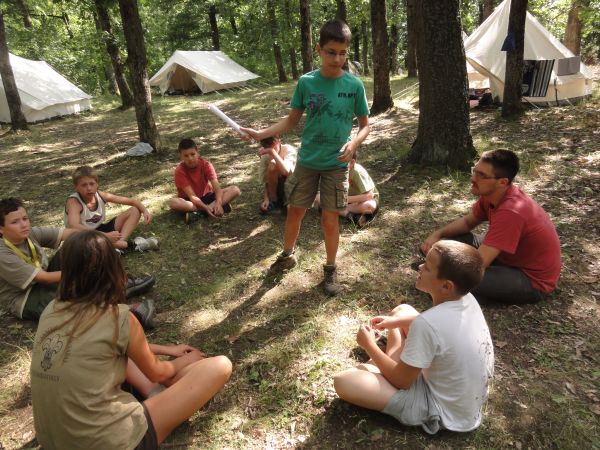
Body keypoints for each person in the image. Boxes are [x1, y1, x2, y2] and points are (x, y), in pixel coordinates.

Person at [30, 230, 232, 449]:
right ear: (112, 268)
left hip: (52, 441)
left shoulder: (51, 310)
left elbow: (104, 346)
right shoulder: (118, 317)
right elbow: (158, 372)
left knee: (122, 359)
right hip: (111, 440)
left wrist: (166, 349)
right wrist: (186, 359)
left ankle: (155, 392)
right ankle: (160, 396)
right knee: (220, 366)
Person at [240, 19, 370, 295]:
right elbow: (291, 121)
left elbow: (365, 124)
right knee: (295, 212)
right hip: (308, 162)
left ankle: (331, 271)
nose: (337, 58)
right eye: (331, 51)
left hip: (336, 164)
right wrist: (259, 133)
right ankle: (287, 255)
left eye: (343, 53)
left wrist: (355, 143)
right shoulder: (307, 83)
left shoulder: (354, 86)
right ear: (319, 50)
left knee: (330, 218)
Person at [334, 241, 494, 434]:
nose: (419, 267)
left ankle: (379, 367)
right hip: (461, 399)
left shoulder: (427, 324)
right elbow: (439, 329)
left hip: (442, 411)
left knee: (344, 381)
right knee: (402, 311)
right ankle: (383, 366)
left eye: (426, 267)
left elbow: (403, 382)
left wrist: (370, 346)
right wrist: (395, 322)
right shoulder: (466, 298)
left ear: (446, 285)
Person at [420, 149, 560, 304]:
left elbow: (477, 264)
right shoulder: (492, 194)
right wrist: (437, 235)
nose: (473, 178)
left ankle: (477, 295)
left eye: (482, 175)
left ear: (502, 182)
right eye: (475, 171)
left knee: (448, 283)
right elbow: (467, 222)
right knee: (444, 244)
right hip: (504, 257)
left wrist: (435, 272)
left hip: (530, 279)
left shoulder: (512, 211)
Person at [0, 198, 155, 324]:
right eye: (15, 222)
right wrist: (82, 272)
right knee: (72, 308)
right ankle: (128, 316)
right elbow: (43, 278)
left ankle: (117, 286)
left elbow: (71, 233)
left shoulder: (30, 233)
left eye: (25, 218)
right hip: (26, 297)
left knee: (77, 243)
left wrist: (102, 237)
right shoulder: (3, 253)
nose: (23, 224)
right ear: (1, 229)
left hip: (45, 280)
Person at [64, 165, 158, 253]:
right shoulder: (74, 202)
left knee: (135, 210)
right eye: (84, 185)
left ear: (97, 184)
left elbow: (132, 202)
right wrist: (105, 235)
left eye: (92, 184)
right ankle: (130, 245)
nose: (89, 188)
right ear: (76, 187)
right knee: (90, 245)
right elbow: (74, 225)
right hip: (81, 236)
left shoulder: (101, 195)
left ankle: (119, 245)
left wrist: (145, 211)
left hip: (99, 229)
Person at [168, 138, 241, 224]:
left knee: (235, 190)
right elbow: (192, 196)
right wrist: (206, 207)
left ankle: (200, 213)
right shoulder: (180, 171)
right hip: (190, 202)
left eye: (192, 154)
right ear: (181, 156)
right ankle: (212, 209)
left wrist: (218, 202)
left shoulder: (206, 165)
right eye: (186, 156)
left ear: (197, 152)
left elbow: (217, 189)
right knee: (173, 202)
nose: (190, 158)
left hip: (207, 196)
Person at [315, 153, 379, 228]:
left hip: (361, 201)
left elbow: (369, 196)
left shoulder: (357, 172)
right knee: (319, 197)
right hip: (346, 201)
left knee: (370, 205)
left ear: (351, 162)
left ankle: (334, 210)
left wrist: (344, 200)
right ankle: (350, 216)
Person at [256, 136, 297, 214]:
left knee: (291, 210)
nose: (270, 150)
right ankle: (274, 201)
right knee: (272, 164)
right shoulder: (266, 155)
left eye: (273, 146)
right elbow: (266, 180)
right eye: (267, 147)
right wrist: (266, 199)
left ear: (279, 141)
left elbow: (286, 171)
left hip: (293, 185)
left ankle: (287, 201)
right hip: (277, 186)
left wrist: (273, 153)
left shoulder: (289, 150)